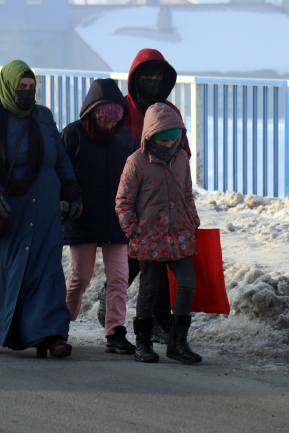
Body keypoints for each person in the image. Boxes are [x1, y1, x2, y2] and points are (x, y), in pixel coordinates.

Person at [0, 59, 83, 358]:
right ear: (7, 87)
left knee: (45, 271)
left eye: (31, 87)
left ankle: (51, 333)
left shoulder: (43, 118)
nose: (27, 93)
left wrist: (72, 188)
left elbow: (60, 158)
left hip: (43, 210)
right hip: (3, 210)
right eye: (21, 88)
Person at [99, 48, 191, 345]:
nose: (152, 82)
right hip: (126, 198)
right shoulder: (121, 110)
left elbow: (183, 153)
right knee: (132, 262)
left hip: (163, 202)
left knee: (162, 261)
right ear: (134, 79)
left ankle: (160, 321)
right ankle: (113, 302)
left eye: (158, 76)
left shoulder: (169, 112)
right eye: (146, 76)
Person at [115, 102, 202, 364]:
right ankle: (143, 343)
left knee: (187, 282)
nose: (169, 146)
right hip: (149, 237)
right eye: (163, 141)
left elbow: (187, 192)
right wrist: (133, 230)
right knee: (149, 289)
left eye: (173, 140)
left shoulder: (182, 159)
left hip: (179, 233)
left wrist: (193, 220)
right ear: (150, 137)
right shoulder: (136, 163)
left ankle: (178, 341)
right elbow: (123, 201)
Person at [61, 79, 137, 354]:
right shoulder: (72, 135)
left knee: (119, 277)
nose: (108, 126)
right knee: (80, 276)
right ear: (92, 113)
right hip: (82, 217)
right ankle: (60, 324)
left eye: (113, 120)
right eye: (103, 119)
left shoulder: (126, 138)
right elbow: (61, 173)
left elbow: (134, 179)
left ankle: (115, 331)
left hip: (117, 220)